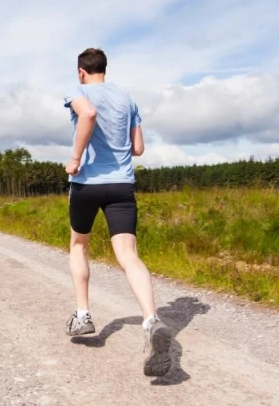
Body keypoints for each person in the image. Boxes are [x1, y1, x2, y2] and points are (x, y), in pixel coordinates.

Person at [61, 47, 172, 377]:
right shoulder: (127, 98)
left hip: (86, 184)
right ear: (104, 69)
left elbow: (88, 114)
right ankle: (151, 319)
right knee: (128, 254)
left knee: (79, 245)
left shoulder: (77, 91)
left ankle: (83, 316)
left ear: (81, 71)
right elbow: (138, 148)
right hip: (122, 185)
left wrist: (76, 158)